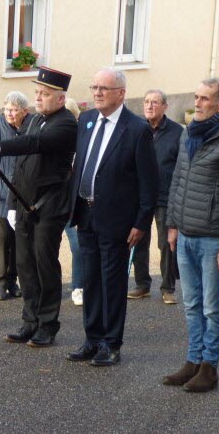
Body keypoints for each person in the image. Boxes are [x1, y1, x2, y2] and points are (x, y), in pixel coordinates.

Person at [0, 67, 78, 348]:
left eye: (45, 94)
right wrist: (14, 205)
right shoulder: (34, 120)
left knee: (44, 264)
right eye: (37, 93)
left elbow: (35, 144)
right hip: (25, 205)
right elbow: (19, 168)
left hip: (50, 206)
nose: (39, 98)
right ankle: (29, 321)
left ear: (61, 98)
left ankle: (47, 324)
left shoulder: (65, 123)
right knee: (25, 265)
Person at [161, 78, 219, 392]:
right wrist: (172, 225)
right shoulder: (189, 133)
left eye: (205, 99)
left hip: (214, 240)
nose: (197, 103)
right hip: (185, 235)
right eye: (196, 97)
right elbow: (178, 181)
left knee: (212, 307)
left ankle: (209, 367)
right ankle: (192, 360)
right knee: (191, 304)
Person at [64, 68, 158, 367]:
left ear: (121, 93)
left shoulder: (136, 129)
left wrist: (141, 222)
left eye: (104, 88)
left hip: (118, 219)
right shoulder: (87, 120)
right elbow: (79, 165)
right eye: (94, 87)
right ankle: (92, 339)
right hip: (86, 213)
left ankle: (111, 343)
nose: (97, 92)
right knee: (90, 280)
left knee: (112, 282)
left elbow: (149, 183)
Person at [127, 89, 183, 304]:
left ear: (165, 107)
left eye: (155, 102)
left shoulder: (177, 132)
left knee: (166, 243)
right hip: (139, 196)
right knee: (138, 239)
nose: (149, 106)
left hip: (165, 196)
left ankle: (168, 287)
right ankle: (142, 284)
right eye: (147, 101)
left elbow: (181, 167)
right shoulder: (137, 128)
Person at [0, 91, 33, 301]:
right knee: (2, 238)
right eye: (6, 109)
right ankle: (2, 282)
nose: (9, 114)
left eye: (13, 110)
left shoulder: (31, 126)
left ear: (24, 111)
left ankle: (14, 280)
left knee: (19, 239)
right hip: (2, 193)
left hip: (23, 194)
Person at [62, 99, 85, 307]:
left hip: (73, 203)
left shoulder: (82, 140)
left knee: (77, 246)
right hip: (54, 200)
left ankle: (78, 286)